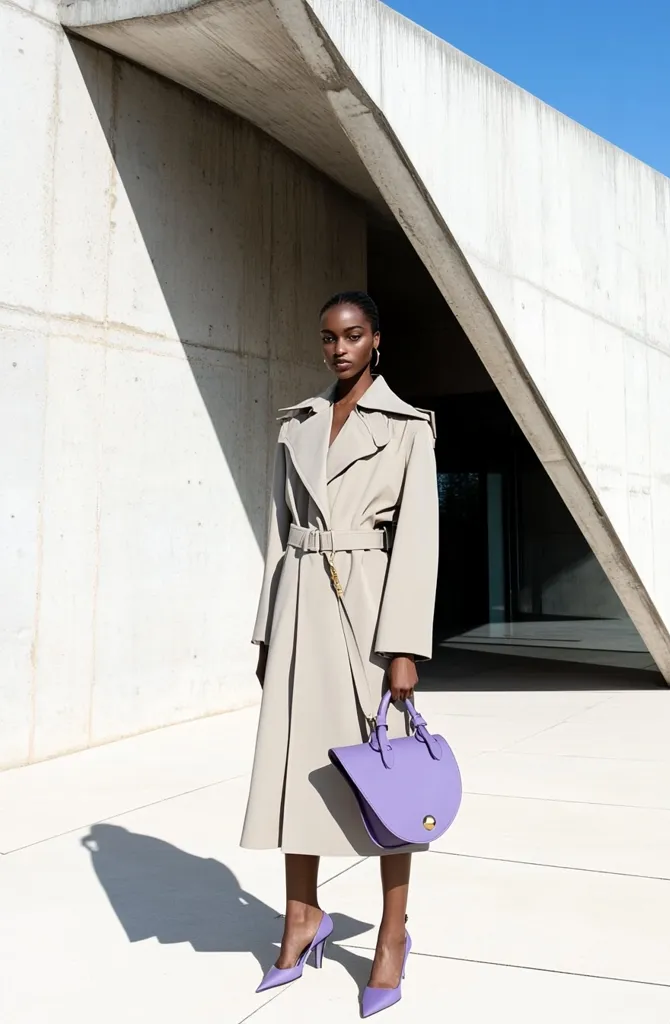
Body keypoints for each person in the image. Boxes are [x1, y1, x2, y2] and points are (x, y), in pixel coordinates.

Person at [240, 291, 439, 1017]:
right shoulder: (296, 423)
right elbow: (277, 532)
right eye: (328, 337)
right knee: (300, 765)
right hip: (300, 605)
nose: (339, 348)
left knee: (389, 782)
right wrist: (268, 629)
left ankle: (392, 934)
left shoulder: (408, 428)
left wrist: (404, 648)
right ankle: (302, 916)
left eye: (353, 335)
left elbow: (419, 542)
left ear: (376, 339)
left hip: (368, 608)